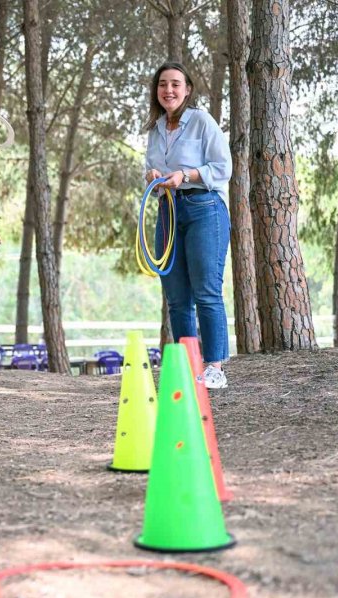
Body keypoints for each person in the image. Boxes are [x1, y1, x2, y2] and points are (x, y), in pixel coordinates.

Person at [144, 62, 233, 389]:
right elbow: (152, 166)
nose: (169, 90)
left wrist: (187, 175)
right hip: (168, 211)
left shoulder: (201, 121)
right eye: (163, 84)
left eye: (175, 84)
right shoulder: (155, 128)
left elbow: (223, 167)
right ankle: (187, 366)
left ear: (187, 89)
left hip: (204, 208)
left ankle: (215, 367)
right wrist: (152, 175)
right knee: (177, 297)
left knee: (206, 290)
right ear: (157, 90)